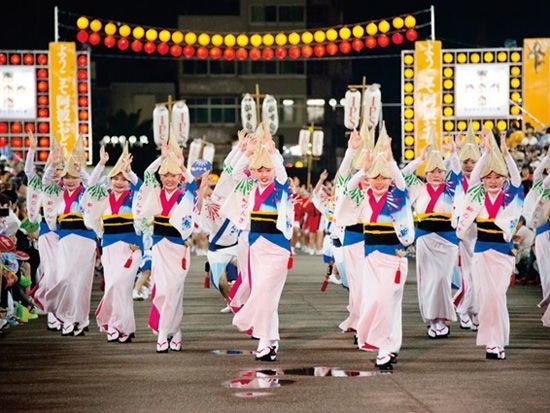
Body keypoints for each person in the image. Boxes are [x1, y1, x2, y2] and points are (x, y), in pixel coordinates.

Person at [335, 128, 415, 370]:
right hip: (370, 260)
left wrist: (390, 161)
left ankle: (386, 348)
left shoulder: (398, 198)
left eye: (384, 177)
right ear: (368, 180)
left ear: (390, 179)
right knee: (376, 302)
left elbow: (401, 183)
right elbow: (345, 190)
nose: (379, 182)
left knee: (387, 301)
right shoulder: (363, 199)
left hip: (395, 258)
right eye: (375, 177)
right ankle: (387, 347)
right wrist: (361, 171)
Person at [220, 124, 293, 362]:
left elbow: (280, 172)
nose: (263, 173)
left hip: (278, 248)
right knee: (264, 294)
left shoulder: (280, 188)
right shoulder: (249, 187)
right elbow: (235, 173)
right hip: (255, 247)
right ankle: (269, 342)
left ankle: (266, 341)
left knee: (265, 293)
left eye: (267, 170)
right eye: (259, 169)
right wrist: (245, 150)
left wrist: (272, 152)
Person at [456, 129, 524, 360]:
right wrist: (485, 153)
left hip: (503, 254)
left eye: (498, 176)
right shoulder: (476, 195)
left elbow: (516, 179)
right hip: (481, 252)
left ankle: (498, 340)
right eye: (489, 177)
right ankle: (492, 343)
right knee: (485, 297)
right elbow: (473, 177)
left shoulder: (510, 196)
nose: (493, 181)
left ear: (503, 178)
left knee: (497, 295)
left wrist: (505, 154)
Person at [133, 136, 198, 352]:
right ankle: (165, 332)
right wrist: (161, 159)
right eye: (166, 175)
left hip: (179, 248)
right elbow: (146, 175)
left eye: (173, 175)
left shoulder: (183, 196)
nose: (169, 179)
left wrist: (182, 166)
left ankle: (173, 330)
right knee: (161, 290)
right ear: (161, 176)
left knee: (175, 291)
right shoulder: (156, 193)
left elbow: (194, 185)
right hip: (159, 246)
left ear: (179, 176)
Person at [401, 129, 462, 339]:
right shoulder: (418, 188)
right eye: (432, 171)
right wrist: (420, 159)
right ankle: (431, 319)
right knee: (427, 280)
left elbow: (459, 174)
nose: (436, 175)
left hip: (448, 239)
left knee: (442, 280)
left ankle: (442, 318)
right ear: (426, 174)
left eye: (440, 171)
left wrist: (454, 154)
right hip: (425, 237)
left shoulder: (452, 189)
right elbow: (403, 177)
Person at [82, 144, 143, 343]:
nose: (119, 182)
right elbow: (90, 187)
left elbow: (145, 190)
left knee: (121, 285)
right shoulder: (104, 197)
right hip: (109, 247)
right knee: (115, 287)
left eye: (123, 179)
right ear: (110, 180)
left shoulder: (134, 197)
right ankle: (121, 327)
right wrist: (101, 164)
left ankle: (117, 324)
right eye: (115, 178)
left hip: (130, 247)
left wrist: (130, 172)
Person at [41, 138, 96, 337]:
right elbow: (45, 183)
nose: (70, 180)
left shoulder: (87, 193)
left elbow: (94, 185)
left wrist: (81, 170)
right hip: (65, 239)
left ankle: (79, 320)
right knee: (66, 278)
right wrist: (53, 165)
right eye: (67, 177)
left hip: (86, 239)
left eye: (74, 176)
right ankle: (66, 316)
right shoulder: (58, 193)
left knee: (82, 282)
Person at [452, 125, 481, 331]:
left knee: (480, 275)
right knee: (468, 275)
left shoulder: (485, 182)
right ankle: (463, 309)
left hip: (483, 233)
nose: (470, 165)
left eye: (473, 162)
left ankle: (474, 310)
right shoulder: (456, 183)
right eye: (466, 162)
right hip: (465, 234)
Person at [522, 146, 550, 326]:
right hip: (543, 232)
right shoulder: (541, 185)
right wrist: (547, 157)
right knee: (547, 275)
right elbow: (539, 172)